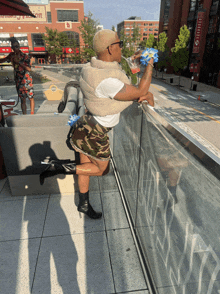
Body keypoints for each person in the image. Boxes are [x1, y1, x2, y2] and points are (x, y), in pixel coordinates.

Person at [40, 29, 154, 219]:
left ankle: (83, 204)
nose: (122, 48)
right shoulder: (107, 81)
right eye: (120, 44)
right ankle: (57, 168)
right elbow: (140, 89)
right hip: (95, 131)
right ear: (111, 48)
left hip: (85, 123)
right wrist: (149, 65)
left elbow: (125, 86)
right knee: (102, 169)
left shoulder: (90, 68)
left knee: (85, 166)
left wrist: (133, 64)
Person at [0, 37, 35, 115]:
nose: (15, 49)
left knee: (30, 96)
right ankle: (25, 115)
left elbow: (29, 69)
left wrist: (18, 62)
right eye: (13, 47)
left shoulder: (25, 56)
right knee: (22, 98)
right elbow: (3, 60)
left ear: (19, 46)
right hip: (18, 79)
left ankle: (32, 114)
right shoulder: (11, 55)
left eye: (16, 46)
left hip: (26, 78)